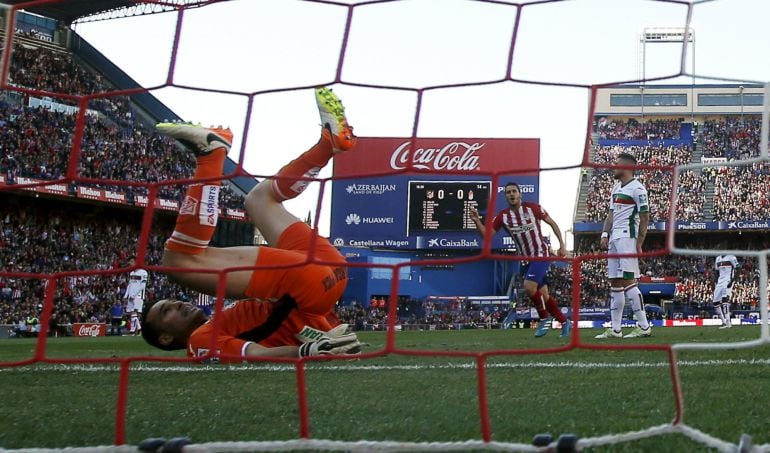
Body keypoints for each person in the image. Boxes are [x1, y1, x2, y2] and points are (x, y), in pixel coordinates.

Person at [140, 87, 362, 362]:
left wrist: (321, 343)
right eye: (166, 311)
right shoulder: (199, 343)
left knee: (258, 199)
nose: (176, 303)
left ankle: (328, 145)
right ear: (165, 337)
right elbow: (256, 354)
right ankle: (211, 155)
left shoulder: (228, 320)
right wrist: (307, 351)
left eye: (168, 303)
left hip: (330, 274)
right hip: (307, 285)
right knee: (177, 263)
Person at [469, 182, 571, 338]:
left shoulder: (533, 208)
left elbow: (553, 223)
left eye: (514, 191)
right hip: (525, 259)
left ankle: (544, 318)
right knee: (544, 296)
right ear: (505, 196)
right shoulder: (503, 216)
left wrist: (562, 245)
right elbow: (486, 236)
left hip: (541, 254)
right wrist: (477, 221)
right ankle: (564, 322)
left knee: (529, 287)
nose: (511, 194)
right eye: (508, 192)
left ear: (520, 194)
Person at [595, 152, 651, 339]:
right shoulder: (616, 188)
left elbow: (645, 217)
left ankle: (643, 326)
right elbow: (611, 214)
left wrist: (639, 244)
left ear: (627, 167)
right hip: (614, 239)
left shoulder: (638, 189)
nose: (614, 167)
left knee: (628, 281)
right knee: (615, 283)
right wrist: (605, 234)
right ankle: (616, 329)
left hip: (628, 238)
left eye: (617, 164)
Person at [713, 253, 739, 329]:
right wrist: (716, 282)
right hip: (719, 282)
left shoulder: (731, 257)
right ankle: (724, 322)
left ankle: (728, 323)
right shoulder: (717, 258)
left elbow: (738, 268)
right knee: (715, 302)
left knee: (724, 300)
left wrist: (733, 281)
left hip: (728, 281)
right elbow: (716, 272)